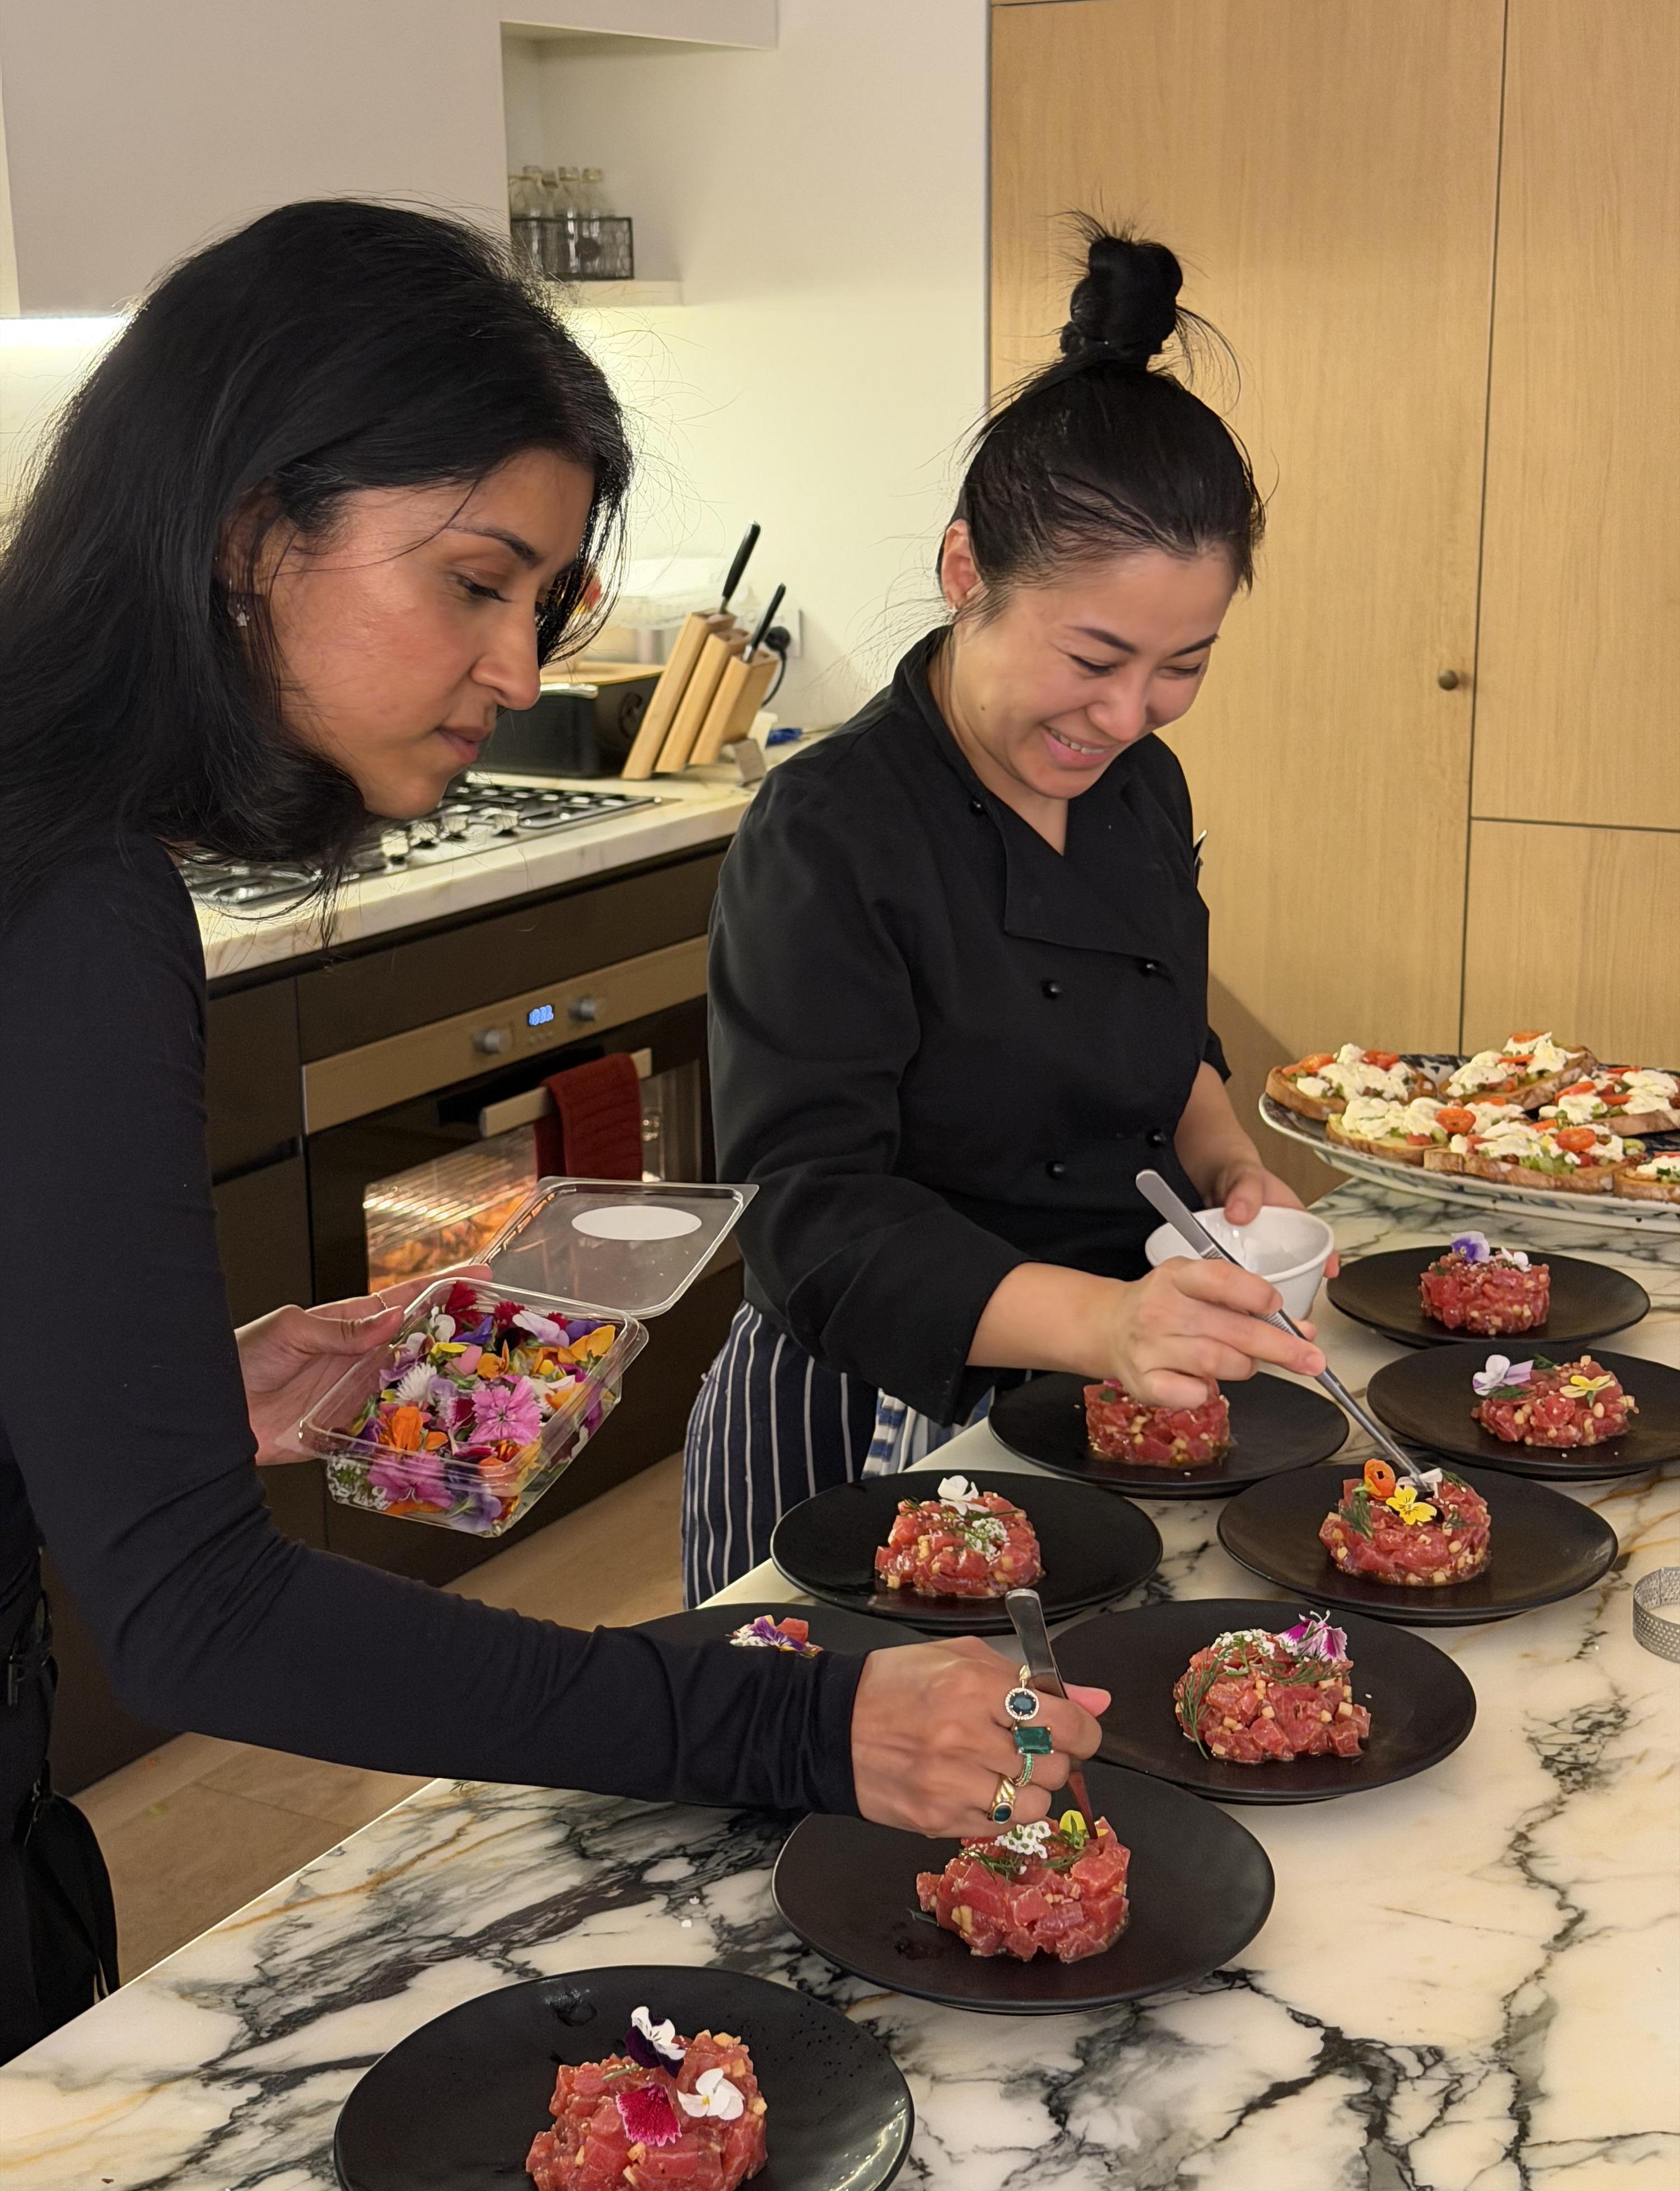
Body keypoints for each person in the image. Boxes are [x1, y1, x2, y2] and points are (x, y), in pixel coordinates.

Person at [0, 202, 1104, 2059]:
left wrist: (129, 1397)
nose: (518, 671)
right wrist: (789, 1723)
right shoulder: (71, 904)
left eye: (550, 603)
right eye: (473, 581)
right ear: (254, 533)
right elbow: (199, 1614)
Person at [684, 227, 1330, 1603]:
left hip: (1114, 1376)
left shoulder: (1138, 784)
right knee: (825, 1795)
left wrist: (1231, 1175)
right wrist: (1106, 1320)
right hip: (869, 1410)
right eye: (1094, 657)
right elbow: (811, 1213)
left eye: (1182, 666)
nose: (1126, 714)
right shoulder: (832, 830)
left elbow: (1171, 1031)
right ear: (968, 567)